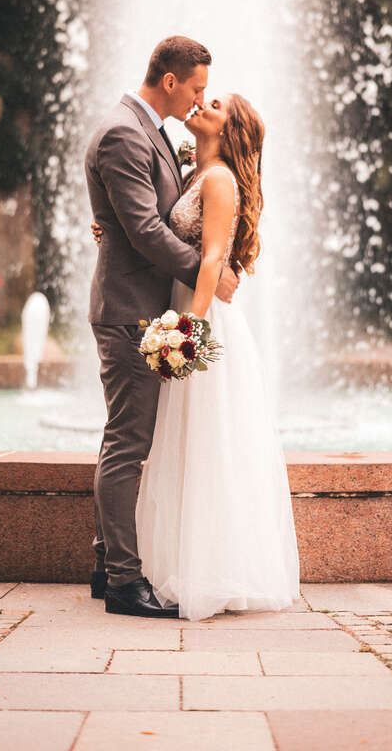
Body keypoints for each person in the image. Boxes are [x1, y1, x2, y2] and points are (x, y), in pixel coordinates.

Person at [92, 92, 300, 620]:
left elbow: (212, 261)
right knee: (175, 442)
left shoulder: (220, 178)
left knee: (206, 443)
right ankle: (160, 562)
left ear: (231, 129)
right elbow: (149, 223)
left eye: (217, 103)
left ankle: (210, 566)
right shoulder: (191, 170)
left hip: (196, 321)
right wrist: (109, 227)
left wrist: (188, 329)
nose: (203, 102)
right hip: (178, 313)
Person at [84, 36, 239, 618]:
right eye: (196, 87)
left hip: (142, 306)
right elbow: (146, 231)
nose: (201, 98)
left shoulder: (148, 131)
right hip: (130, 310)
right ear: (169, 81)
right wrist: (208, 273)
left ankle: (106, 566)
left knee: (121, 438)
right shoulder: (126, 131)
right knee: (128, 445)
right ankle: (125, 583)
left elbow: (140, 219)